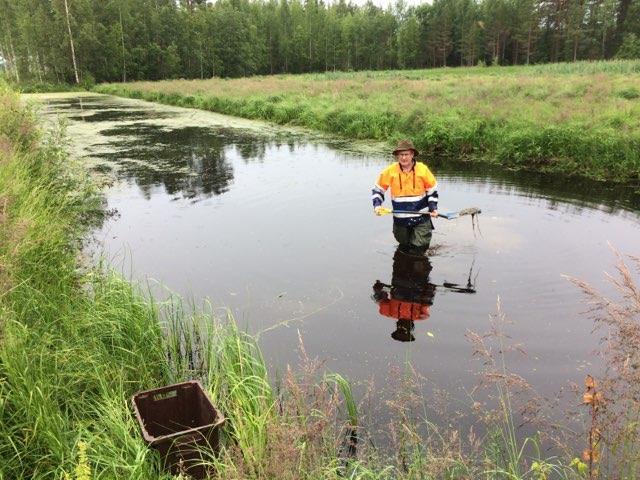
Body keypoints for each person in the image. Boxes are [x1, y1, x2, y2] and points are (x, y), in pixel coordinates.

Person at [372, 140, 438, 253]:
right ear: (397, 156)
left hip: (421, 218)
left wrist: (433, 208)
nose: (403, 158)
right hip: (400, 220)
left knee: (419, 249)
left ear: (412, 154)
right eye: (401, 155)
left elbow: (432, 190)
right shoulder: (390, 171)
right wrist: (377, 206)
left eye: (406, 154)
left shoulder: (422, 169)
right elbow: (378, 190)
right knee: (404, 246)